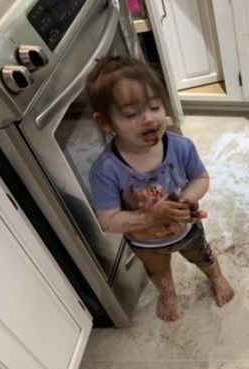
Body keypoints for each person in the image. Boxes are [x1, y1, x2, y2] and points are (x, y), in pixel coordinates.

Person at [86, 56, 234, 322]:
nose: (149, 119)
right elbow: (108, 221)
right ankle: (168, 293)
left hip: (187, 230)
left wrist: (186, 201)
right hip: (145, 243)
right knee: (158, 272)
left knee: (204, 256)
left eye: (155, 106)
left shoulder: (180, 147)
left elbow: (201, 178)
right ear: (105, 122)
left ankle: (217, 277)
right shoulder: (105, 170)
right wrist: (152, 216)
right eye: (131, 114)